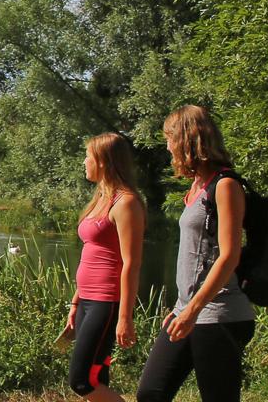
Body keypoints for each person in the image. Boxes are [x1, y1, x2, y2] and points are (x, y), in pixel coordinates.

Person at [137, 104, 255, 402]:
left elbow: (229, 256)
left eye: (169, 138)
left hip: (219, 314)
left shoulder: (226, 185)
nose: (166, 146)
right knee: (151, 393)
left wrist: (192, 310)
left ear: (186, 139)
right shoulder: (197, 185)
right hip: (187, 310)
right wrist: (182, 307)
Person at [65, 132, 145, 401]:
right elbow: (90, 253)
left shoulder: (126, 203)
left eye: (88, 156)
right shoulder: (100, 198)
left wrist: (125, 317)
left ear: (104, 161)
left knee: (82, 381)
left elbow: (131, 263)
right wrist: (76, 303)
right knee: (97, 377)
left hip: (107, 302)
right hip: (88, 299)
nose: (84, 162)